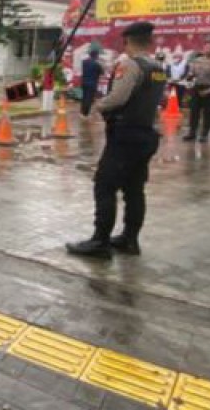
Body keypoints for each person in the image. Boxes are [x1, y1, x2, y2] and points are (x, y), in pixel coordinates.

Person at [67, 21, 166, 259]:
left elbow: (118, 97)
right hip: (146, 135)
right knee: (134, 188)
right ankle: (130, 240)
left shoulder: (130, 65)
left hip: (126, 135)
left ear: (128, 41)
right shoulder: (158, 67)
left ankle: (100, 241)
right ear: (149, 41)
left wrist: (96, 107)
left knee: (105, 184)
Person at [80, 48, 103, 116]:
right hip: (92, 84)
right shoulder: (97, 64)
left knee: (84, 97)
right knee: (89, 98)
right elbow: (102, 72)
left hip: (84, 82)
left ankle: (82, 111)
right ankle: (85, 113)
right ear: (96, 56)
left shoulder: (84, 62)